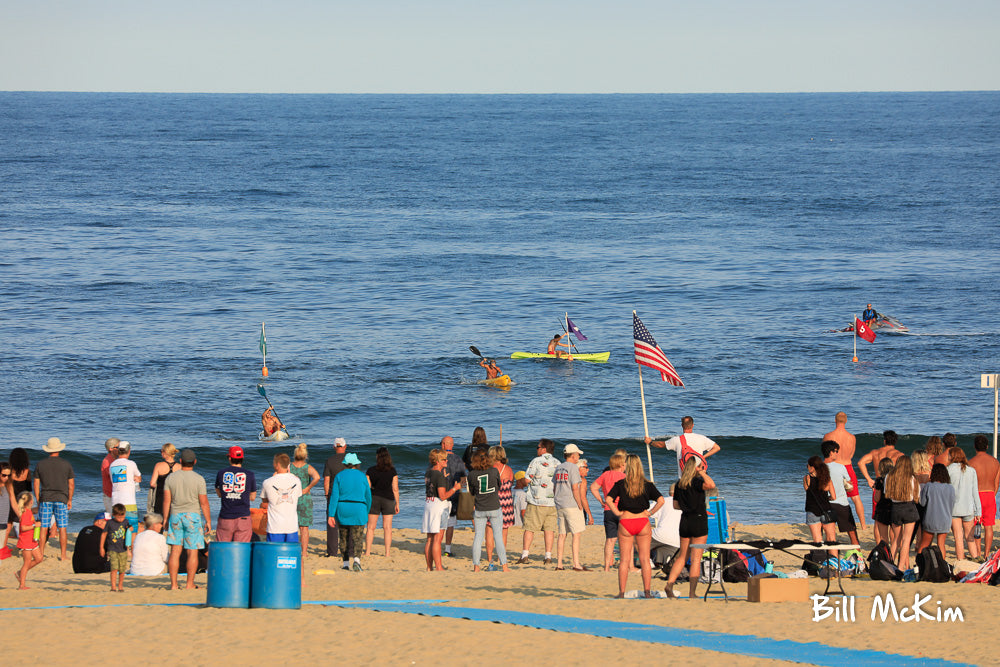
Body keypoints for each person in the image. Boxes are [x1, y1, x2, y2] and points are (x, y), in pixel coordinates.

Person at [607, 454, 664, 598]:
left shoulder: (621, 484)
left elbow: (608, 499)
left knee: (625, 560)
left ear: (627, 466)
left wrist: (617, 512)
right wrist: (650, 512)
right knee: (645, 559)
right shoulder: (647, 484)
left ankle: (621, 593)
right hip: (642, 522)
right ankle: (647, 592)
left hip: (626, 521)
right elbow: (661, 500)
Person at [663, 456, 715, 600]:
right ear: (696, 467)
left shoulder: (679, 484)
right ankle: (692, 593)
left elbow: (675, 505)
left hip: (685, 520)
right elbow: (711, 485)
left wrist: (687, 506)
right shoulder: (697, 482)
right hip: (698, 520)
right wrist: (703, 473)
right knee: (696, 558)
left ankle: (670, 584)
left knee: (682, 556)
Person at [163, 448, 212, 590]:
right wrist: (208, 520)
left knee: (175, 551)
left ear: (180, 461)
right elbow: (204, 502)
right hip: (193, 516)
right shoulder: (199, 479)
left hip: (175, 516)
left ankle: (173, 584)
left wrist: (165, 519)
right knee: (192, 551)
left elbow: (167, 501)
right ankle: (189, 583)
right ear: (194, 462)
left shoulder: (171, 478)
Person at [822, 412, 866, 530]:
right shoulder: (852, 437)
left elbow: (825, 453)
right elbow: (851, 454)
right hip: (847, 467)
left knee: (829, 496)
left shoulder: (828, 436)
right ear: (846, 421)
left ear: (835, 420)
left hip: (833, 468)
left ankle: (827, 521)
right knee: (856, 497)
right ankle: (863, 525)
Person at [327, 453, 371, 572]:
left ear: (345, 464)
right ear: (357, 464)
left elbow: (334, 496)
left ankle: (346, 563)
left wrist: (331, 514)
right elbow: (368, 496)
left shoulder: (339, 476)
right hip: (359, 508)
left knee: (343, 537)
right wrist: (366, 511)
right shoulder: (362, 476)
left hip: (343, 508)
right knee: (358, 537)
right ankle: (356, 561)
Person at [518, 438, 559, 564]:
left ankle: (525, 555)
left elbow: (527, 480)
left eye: (538, 447)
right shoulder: (557, 462)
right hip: (552, 502)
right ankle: (548, 556)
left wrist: (522, 483)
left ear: (544, 449)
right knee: (549, 529)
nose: (537, 449)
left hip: (536, 500)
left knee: (530, 528)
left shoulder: (536, 461)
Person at [33, 436, 75, 560]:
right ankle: (63, 555)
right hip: (61, 498)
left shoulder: (41, 464)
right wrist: (70, 499)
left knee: (43, 527)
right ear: (59, 449)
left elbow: (36, 484)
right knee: (62, 527)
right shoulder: (66, 464)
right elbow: (71, 484)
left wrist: (38, 499)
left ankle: (40, 553)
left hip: (45, 498)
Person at [468, 449, 508, 572]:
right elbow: (498, 486)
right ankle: (504, 566)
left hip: (480, 508)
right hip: (494, 507)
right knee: (498, 537)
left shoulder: (472, 474)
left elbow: (472, 492)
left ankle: (476, 566)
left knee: (478, 538)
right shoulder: (494, 471)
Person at [423, 448, 461, 571]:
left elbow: (431, 487)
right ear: (438, 461)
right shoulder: (439, 475)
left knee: (430, 538)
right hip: (439, 507)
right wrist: (455, 488)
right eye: (444, 459)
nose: (446, 461)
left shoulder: (429, 472)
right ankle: (439, 567)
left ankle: (429, 567)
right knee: (437, 539)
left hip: (429, 504)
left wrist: (443, 478)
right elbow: (443, 495)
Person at [553, 444, 589, 571]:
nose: (578, 457)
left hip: (560, 503)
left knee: (562, 534)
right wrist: (580, 504)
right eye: (578, 455)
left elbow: (554, 487)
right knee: (576, 534)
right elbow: (575, 488)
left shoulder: (559, 467)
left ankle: (559, 564)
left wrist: (556, 499)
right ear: (573, 455)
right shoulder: (573, 468)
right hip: (571, 504)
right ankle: (576, 563)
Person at [645, 416, 721, 475]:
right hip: (699, 474)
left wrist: (650, 442)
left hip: (684, 477)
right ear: (693, 425)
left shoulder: (677, 440)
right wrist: (703, 457)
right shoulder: (701, 438)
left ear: (682, 425)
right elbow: (717, 448)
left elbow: (660, 444)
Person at [590, 452, 626, 571]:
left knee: (610, 539)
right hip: (622, 510)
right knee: (625, 538)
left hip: (608, 509)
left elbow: (593, 487)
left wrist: (601, 500)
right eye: (624, 463)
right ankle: (625, 564)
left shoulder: (605, 475)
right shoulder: (624, 477)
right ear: (621, 464)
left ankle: (606, 567)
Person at [822, 441, 862, 547]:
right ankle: (859, 560)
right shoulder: (840, 467)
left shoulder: (819, 468)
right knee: (852, 534)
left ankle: (830, 557)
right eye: (836, 451)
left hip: (826, 504)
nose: (837, 453)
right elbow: (849, 487)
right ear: (831, 453)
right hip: (841, 504)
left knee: (829, 536)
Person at [214, 445, 256, 543]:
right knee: (241, 550)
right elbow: (253, 497)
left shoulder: (221, 473)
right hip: (243, 517)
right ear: (242, 458)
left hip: (225, 517)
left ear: (229, 458)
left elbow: (219, 493)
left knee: (222, 549)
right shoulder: (250, 474)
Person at [947, 446, 981, 561]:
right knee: (969, 537)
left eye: (949, 455)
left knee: (958, 537)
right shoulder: (971, 470)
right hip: (968, 508)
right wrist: (978, 511)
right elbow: (975, 492)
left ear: (952, 456)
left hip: (954, 508)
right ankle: (976, 557)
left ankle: (960, 560)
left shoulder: (948, 469)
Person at [885, 456, 919, 570]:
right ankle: (900, 567)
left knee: (896, 539)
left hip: (895, 508)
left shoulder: (889, 476)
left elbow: (887, 494)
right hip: (909, 507)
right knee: (906, 540)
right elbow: (917, 497)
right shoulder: (912, 478)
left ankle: (890, 564)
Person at [365, 446, 399, 557]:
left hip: (374, 498)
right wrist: (397, 503)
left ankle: (368, 552)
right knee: (387, 527)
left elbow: (367, 487)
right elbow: (395, 488)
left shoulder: (370, 470)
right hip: (388, 499)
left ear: (377, 457)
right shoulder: (392, 471)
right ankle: (387, 553)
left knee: (370, 527)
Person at [968, 434, 999, 557]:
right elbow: (997, 484)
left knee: (977, 525)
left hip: (977, 496)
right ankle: (987, 553)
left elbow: (969, 484)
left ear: (975, 446)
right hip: (990, 495)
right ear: (987, 446)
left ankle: (978, 552)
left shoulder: (971, 463)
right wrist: (992, 495)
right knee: (989, 526)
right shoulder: (995, 462)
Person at [484, 445, 515, 568]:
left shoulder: (488, 469)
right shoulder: (508, 470)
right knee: (504, 532)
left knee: (490, 530)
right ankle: (500, 557)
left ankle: (490, 557)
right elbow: (511, 483)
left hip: (492, 502)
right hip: (506, 503)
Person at [261, 453, 302, 543]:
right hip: (292, 526)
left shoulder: (267, 482)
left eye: (274, 463)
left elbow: (264, 502)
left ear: (278, 465)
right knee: (290, 555)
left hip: (274, 527)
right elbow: (298, 496)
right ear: (288, 465)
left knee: (275, 555)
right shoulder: (297, 481)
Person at [290, 443, 321, 557]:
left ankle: (292, 549)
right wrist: (308, 487)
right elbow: (317, 477)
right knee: (304, 528)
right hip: (304, 498)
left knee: (291, 525)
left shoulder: (290, 467)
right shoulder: (307, 467)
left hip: (292, 497)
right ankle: (304, 552)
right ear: (305, 456)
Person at [918, 464, 955, 556]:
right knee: (941, 544)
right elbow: (952, 504)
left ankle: (918, 564)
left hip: (931, 519)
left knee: (924, 544)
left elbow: (922, 503)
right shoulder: (951, 488)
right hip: (945, 520)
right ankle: (942, 566)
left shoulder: (929, 486)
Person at [109, 441, 141, 539]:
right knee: (132, 528)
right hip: (129, 501)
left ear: (118, 451)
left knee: (118, 528)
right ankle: (130, 550)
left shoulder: (112, 465)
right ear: (129, 451)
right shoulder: (131, 464)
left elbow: (112, 481)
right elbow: (138, 478)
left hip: (116, 501)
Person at [442, 435, 468, 557]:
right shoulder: (458, 459)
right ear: (452, 445)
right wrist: (464, 495)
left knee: (439, 522)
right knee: (450, 523)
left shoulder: (438, 458)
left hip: (440, 494)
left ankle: (435, 544)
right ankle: (447, 549)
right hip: (455, 494)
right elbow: (463, 478)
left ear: (443, 445)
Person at [322, 437, 348, 557]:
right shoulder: (351, 460)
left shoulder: (329, 461)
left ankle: (332, 552)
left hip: (333, 494)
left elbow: (326, 480)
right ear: (345, 446)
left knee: (332, 523)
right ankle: (349, 550)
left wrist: (327, 494)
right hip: (348, 494)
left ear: (334, 447)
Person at [803, 456, 837, 546]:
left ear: (812, 467)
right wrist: (826, 498)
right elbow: (833, 497)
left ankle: (819, 559)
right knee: (831, 539)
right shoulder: (827, 479)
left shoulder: (807, 478)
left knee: (817, 540)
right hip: (826, 510)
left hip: (812, 510)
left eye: (808, 466)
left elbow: (807, 489)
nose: (807, 467)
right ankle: (833, 559)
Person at [100, 503, 133, 592]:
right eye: (118, 517)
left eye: (122, 517)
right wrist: (102, 547)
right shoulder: (110, 523)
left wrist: (131, 529)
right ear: (113, 515)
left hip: (122, 549)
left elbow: (129, 532)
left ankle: (120, 586)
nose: (120, 519)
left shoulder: (125, 521)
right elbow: (104, 534)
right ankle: (113, 587)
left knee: (122, 569)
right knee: (114, 568)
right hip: (112, 549)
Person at [14, 491, 42, 589]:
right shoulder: (25, 513)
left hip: (32, 540)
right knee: (26, 563)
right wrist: (34, 525)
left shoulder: (29, 511)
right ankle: (22, 585)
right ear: (30, 502)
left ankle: (20, 573)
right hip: (26, 541)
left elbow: (35, 512)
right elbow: (23, 528)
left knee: (39, 558)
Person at [150, 443, 181, 516]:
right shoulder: (180, 466)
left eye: (161, 451)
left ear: (165, 452)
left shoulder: (158, 465)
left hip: (161, 496)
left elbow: (152, 483)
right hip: (175, 497)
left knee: (160, 518)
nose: (161, 453)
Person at [872, 459, 895, 545]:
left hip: (882, 508)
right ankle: (893, 551)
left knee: (883, 536)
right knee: (894, 534)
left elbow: (877, 498)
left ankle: (884, 550)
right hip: (893, 507)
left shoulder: (880, 480)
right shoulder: (895, 479)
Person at [100, 437, 120, 513]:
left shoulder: (116, 459)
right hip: (110, 495)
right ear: (111, 449)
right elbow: (114, 476)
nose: (120, 449)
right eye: (118, 447)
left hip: (116, 494)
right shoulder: (107, 461)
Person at [0, 462, 11, 554]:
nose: (6, 478)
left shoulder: (8, 486)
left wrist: (21, 516)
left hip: (3, 522)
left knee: (0, 548)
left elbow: (14, 503)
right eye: (4, 475)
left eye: (8, 475)